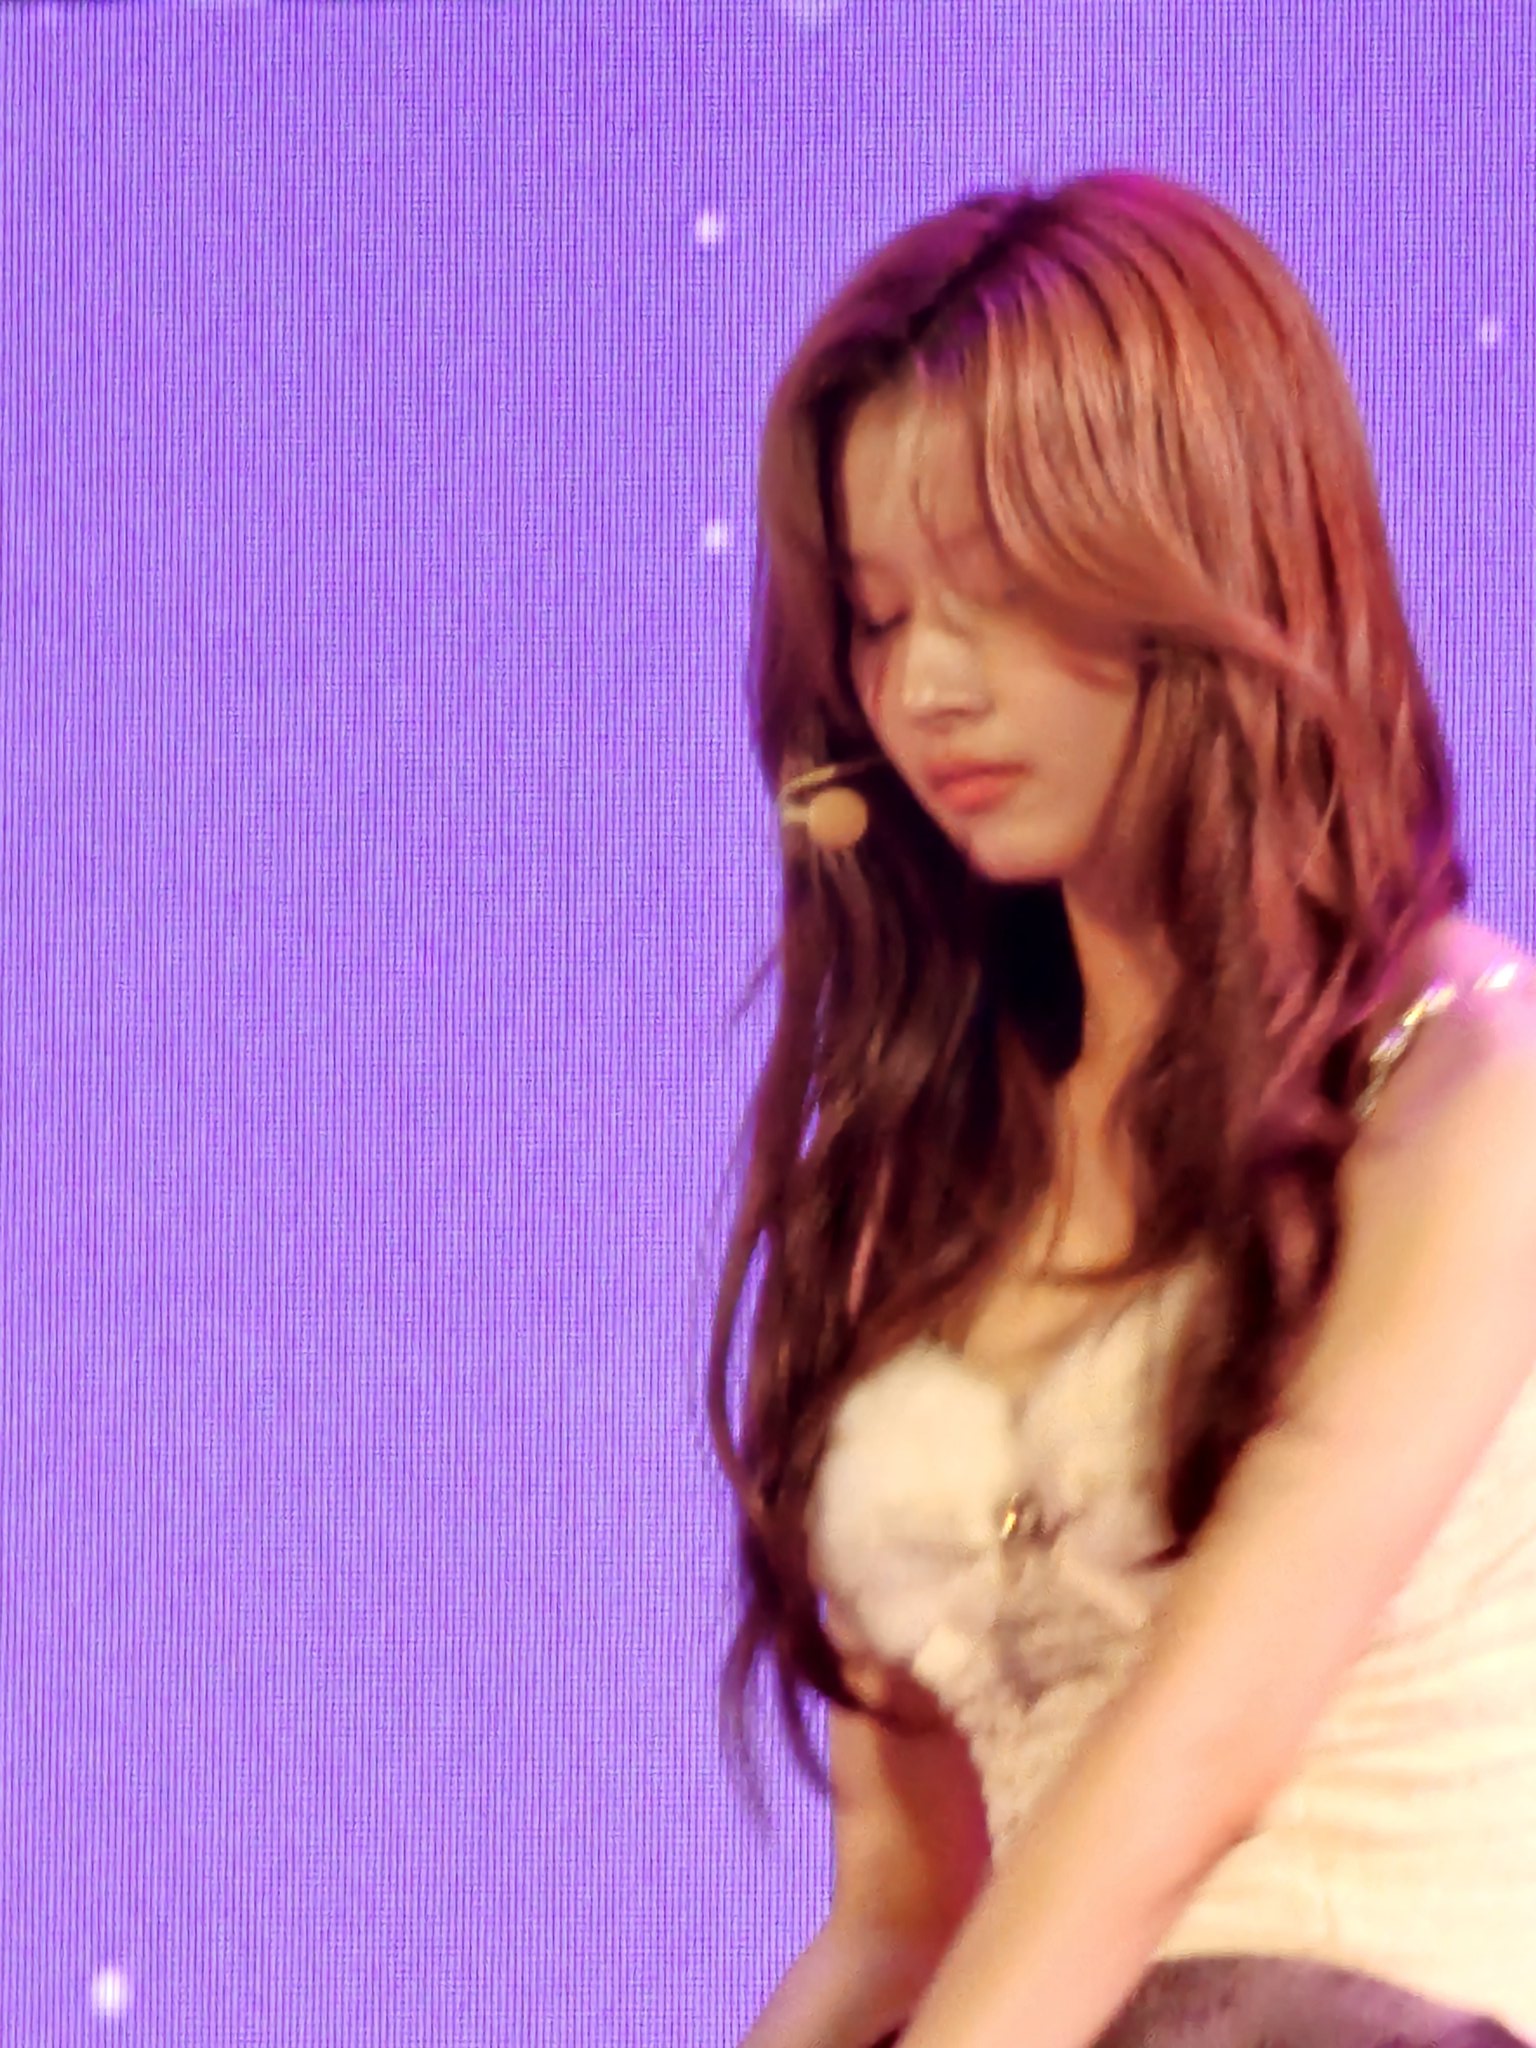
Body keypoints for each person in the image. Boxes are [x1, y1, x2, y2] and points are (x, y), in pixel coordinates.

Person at [704, 169, 1536, 2048]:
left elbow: (1196, 1762)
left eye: (1000, 593)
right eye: (880, 617)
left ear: (1204, 555)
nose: (927, 688)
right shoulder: (916, 1196)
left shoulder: (1465, 1079)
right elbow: (899, 1918)